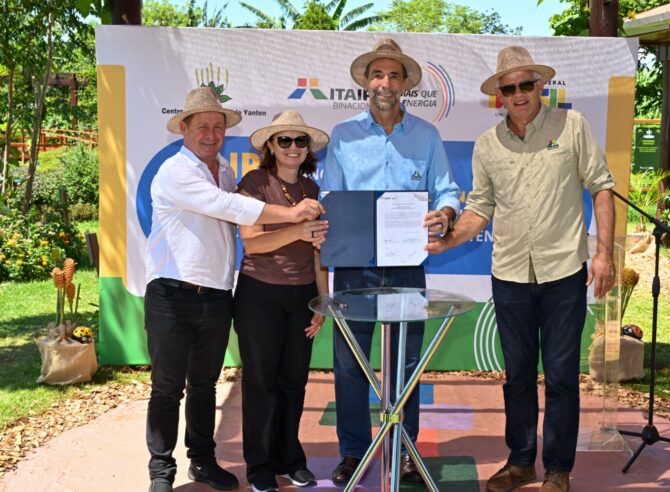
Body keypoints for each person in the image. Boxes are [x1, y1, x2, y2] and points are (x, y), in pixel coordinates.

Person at [427, 46, 615, 492]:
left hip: (564, 271)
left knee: (562, 375)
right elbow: (479, 208)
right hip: (509, 274)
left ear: (540, 86)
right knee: (517, 375)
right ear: (499, 95)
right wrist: (447, 240)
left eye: (525, 84)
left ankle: (558, 469)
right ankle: (520, 462)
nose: (518, 94)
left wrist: (604, 253)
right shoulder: (488, 144)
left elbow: (602, 188)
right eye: (509, 88)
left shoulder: (572, 126)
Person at [144, 88, 324, 492]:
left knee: (205, 384)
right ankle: (161, 470)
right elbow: (231, 211)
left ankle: (203, 462)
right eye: (202, 126)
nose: (210, 134)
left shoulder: (224, 171)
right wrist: (294, 218)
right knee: (168, 387)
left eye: (217, 126)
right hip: (172, 293)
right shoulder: (177, 171)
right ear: (184, 128)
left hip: (217, 294)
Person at [321, 37, 461, 485]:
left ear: (404, 84)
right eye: (377, 74)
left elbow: (446, 190)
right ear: (366, 82)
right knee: (350, 361)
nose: (385, 82)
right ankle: (351, 452)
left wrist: (446, 213)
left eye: (393, 75)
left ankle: (404, 451)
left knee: (406, 363)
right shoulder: (343, 136)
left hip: (405, 263)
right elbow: (329, 196)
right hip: (353, 262)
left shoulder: (427, 135)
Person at [232, 111, 330, 492]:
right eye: (284, 140)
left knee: (294, 382)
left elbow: (321, 250)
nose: (292, 148)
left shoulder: (313, 191)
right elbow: (252, 241)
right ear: (270, 146)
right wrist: (297, 229)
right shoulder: (253, 183)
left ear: (308, 149)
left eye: (299, 141)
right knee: (261, 384)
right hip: (260, 294)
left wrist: (323, 300)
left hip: (303, 295)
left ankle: (290, 459)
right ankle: (259, 467)